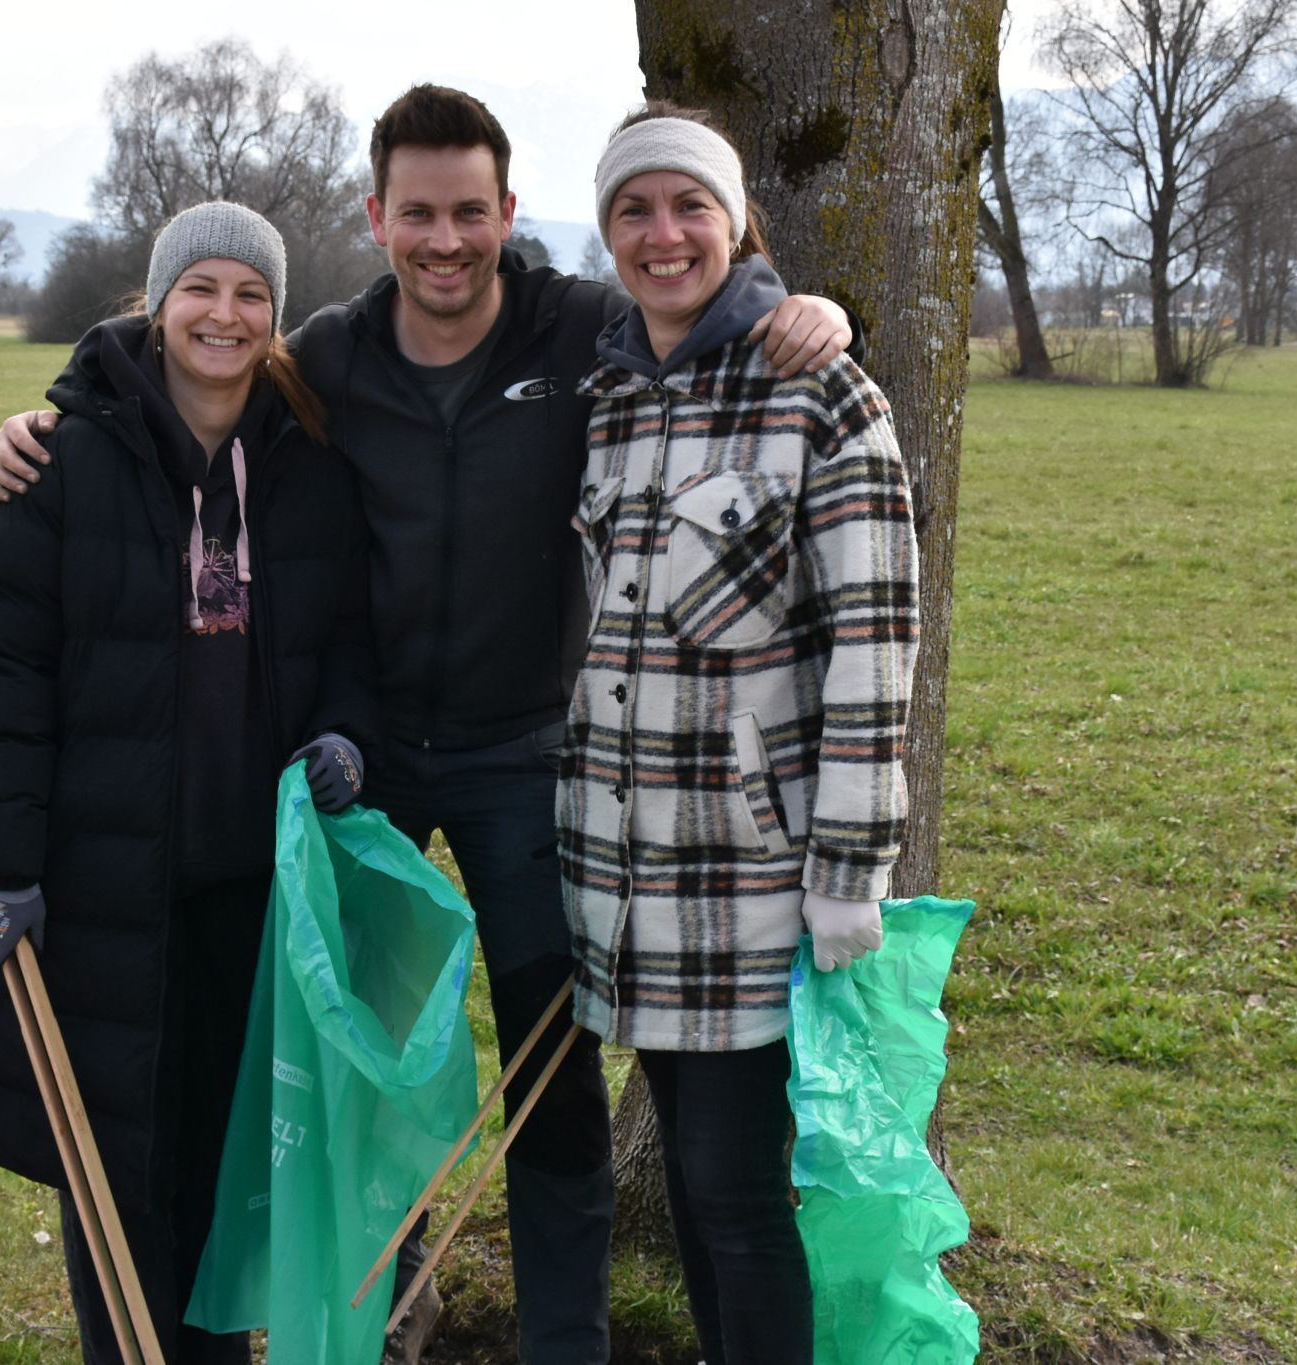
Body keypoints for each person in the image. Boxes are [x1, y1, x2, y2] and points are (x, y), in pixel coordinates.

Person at [0, 84, 856, 1365]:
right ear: (376, 216)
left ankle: (565, 1339)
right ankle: (382, 1318)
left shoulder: (582, 332)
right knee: (354, 1070)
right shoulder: (328, 355)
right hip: (362, 769)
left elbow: (697, 292)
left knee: (548, 1089)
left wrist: (804, 301)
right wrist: (49, 422)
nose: (443, 240)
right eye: (416, 214)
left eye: (468, 212)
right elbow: (174, 378)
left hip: (529, 768)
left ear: (507, 212)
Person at [0, 201, 377, 1365]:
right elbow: (6, 671)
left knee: (225, 1163)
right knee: (114, 1165)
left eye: (251, 295)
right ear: (158, 300)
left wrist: (341, 736)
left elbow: (348, 644)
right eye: (201, 289)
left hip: (253, 890)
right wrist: (2, 868)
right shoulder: (61, 462)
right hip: (104, 885)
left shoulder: (309, 468)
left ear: (275, 321)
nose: (224, 316)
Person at [560, 105, 919, 1365]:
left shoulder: (817, 390)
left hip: (749, 882)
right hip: (622, 881)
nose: (663, 236)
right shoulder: (611, 398)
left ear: (734, 221)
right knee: (709, 1202)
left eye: (688, 207)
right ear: (606, 233)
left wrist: (847, 874)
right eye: (633, 211)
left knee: (732, 1199)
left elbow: (874, 648)